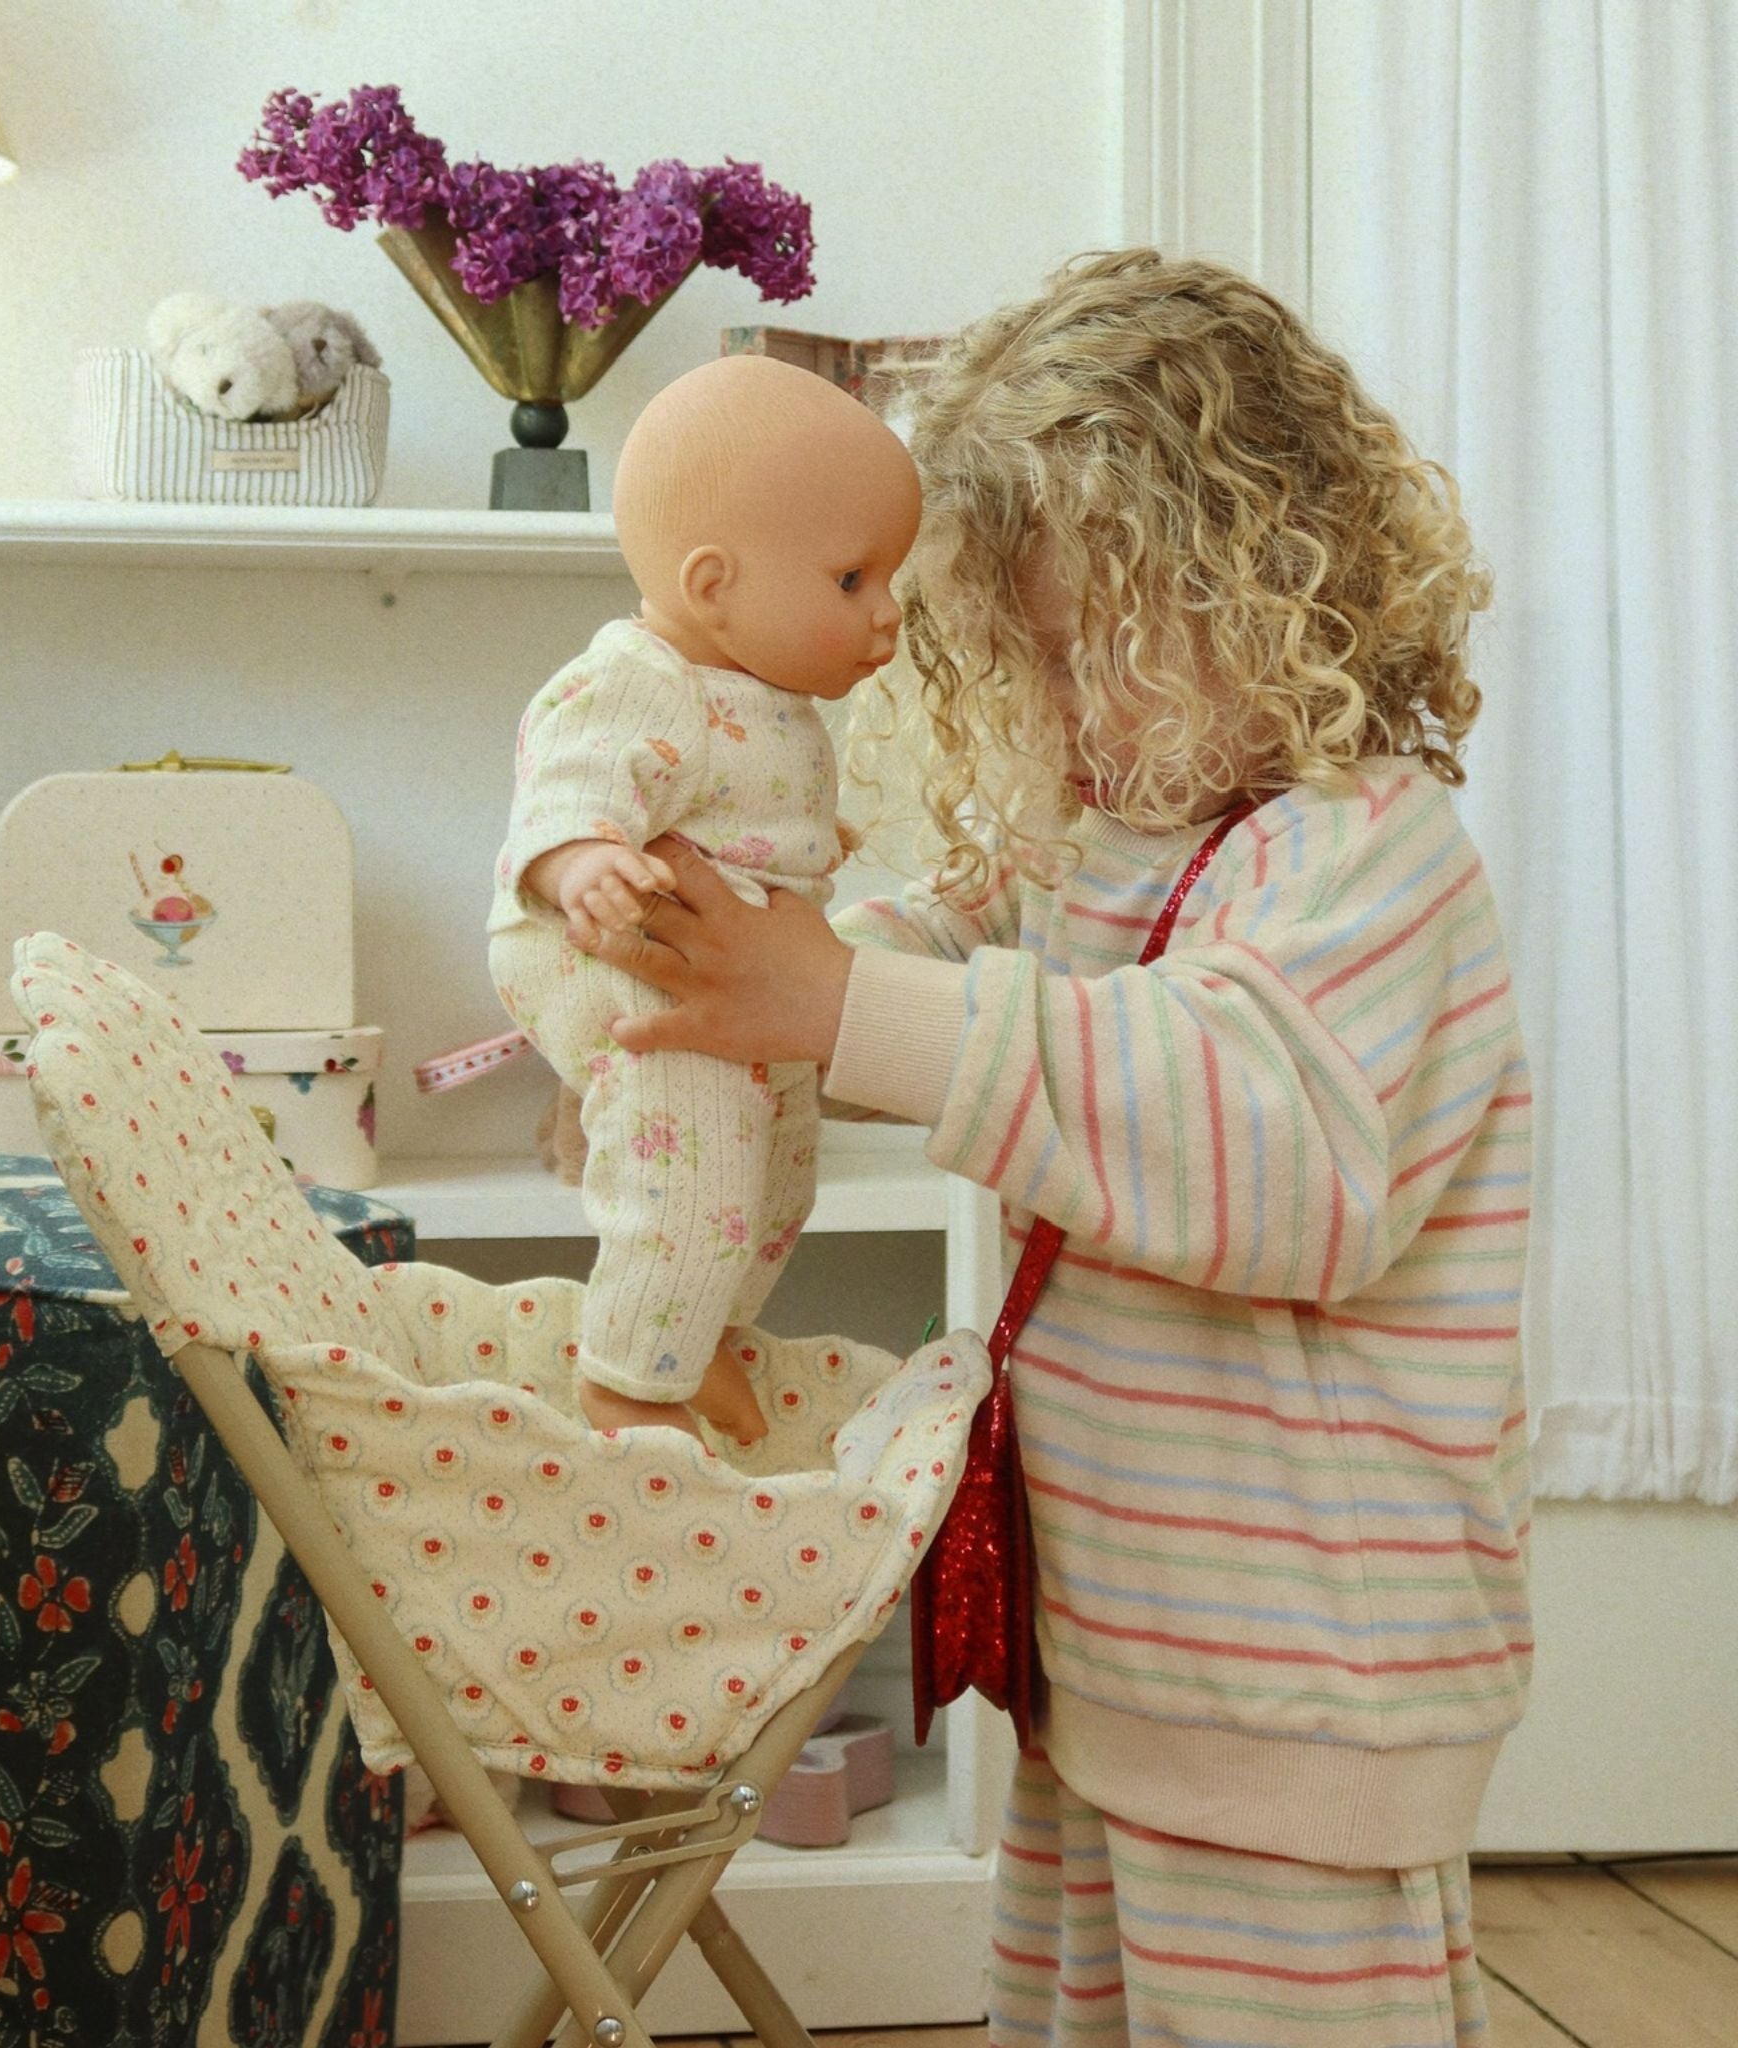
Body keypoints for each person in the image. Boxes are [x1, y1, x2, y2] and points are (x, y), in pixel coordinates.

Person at [571, 249, 1531, 2047]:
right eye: (1028, 662)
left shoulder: (1361, 854)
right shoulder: (1108, 849)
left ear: (1263, 588)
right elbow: (923, 960)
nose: (1066, 710)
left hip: (1304, 1683)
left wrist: (830, 1002)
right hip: (1116, 1649)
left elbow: (1253, 1137)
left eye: (1094, 653)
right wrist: (706, 1002)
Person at [488, 352, 921, 1447]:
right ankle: (628, 1378)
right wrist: (584, 863)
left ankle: (707, 1330)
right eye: (851, 581)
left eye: (888, 580)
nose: (887, 615)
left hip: (716, 974)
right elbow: (564, 787)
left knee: (779, 1167)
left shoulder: (765, 694)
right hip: (612, 953)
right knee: (691, 1158)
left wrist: (806, 847)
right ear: (713, 585)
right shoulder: (637, 677)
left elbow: (741, 810)